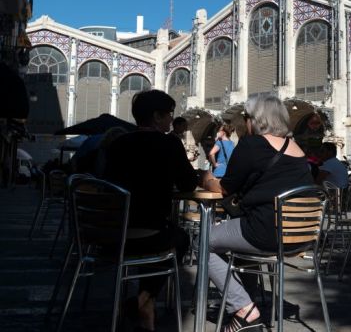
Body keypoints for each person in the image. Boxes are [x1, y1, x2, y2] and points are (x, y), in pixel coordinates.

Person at [203, 95, 313, 332]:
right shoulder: (298, 150)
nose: (244, 121)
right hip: (300, 237)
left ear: (256, 119)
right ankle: (247, 298)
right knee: (239, 233)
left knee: (202, 241)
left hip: (266, 232)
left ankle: (244, 309)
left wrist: (206, 178)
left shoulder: (252, 145)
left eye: (246, 117)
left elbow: (224, 188)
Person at [104, 90, 203, 332]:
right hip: (150, 235)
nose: (171, 120)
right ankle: (141, 301)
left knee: (160, 235)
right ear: (157, 117)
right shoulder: (169, 143)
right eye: (169, 114)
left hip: (111, 237)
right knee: (179, 238)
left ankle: (144, 308)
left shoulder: (118, 143)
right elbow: (188, 184)